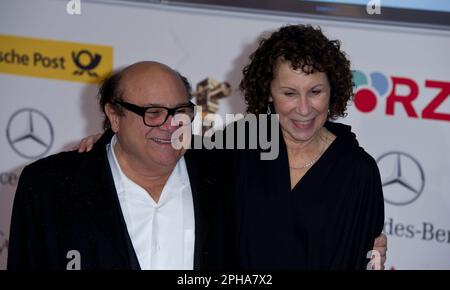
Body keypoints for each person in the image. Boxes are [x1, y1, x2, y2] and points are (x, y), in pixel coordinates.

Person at [74, 25, 387, 270]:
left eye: (315, 91)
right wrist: (109, 143)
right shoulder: (242, 143)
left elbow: (363, 258)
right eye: (289, 93)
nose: (303, 109)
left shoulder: (357, 171)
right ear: (268, 93)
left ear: (333, 92)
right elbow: (172, 146)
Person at [8, 61, 232, 270]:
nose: (172, 125)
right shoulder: (49, 187)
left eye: (181, 111)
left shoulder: (228, 177)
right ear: (114, 116)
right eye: (153, 113)